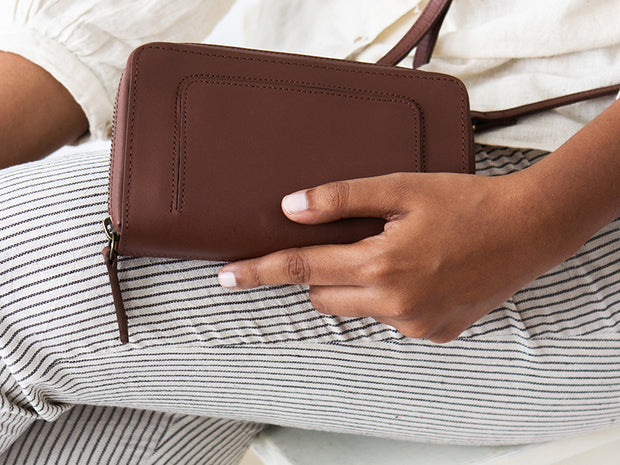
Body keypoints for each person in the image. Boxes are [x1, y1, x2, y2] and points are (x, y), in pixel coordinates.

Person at [0, 0, 619, 463]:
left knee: (22, 282)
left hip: (571, 191)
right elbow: (82, 36)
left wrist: (537, 216)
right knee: (90, 439)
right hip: (305, 105)